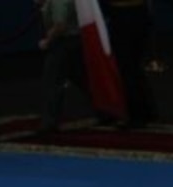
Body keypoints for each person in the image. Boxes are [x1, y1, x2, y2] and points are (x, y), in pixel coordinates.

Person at [35, 0, 91, 136]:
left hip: (63, 45)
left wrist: (47, 41)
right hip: (73, 43)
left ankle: (49, 123)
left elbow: (60, 25)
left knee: (52, 83)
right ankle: (108, 111)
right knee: (84, 80)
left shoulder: (57, 1)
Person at [103, 0, 156, 128]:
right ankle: (147, 110)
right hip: (140, 13)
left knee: (128, 69)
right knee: (134, 67)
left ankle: (137, 114)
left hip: (122, 15)